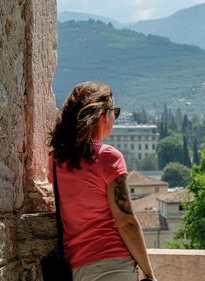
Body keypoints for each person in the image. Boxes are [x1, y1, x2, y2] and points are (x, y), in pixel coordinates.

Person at [48, 81, 157, 281]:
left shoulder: (55, 161)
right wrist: (149, 273)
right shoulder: (108, 157)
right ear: (104, 116)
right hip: (113, 265)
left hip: (76, 267)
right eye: (115, 111)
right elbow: (126, 222)